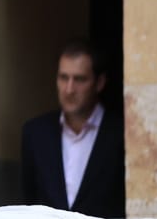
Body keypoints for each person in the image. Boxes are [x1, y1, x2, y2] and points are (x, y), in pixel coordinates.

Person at [20, 39, 123, 216]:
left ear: (99, 83)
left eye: (79, 79)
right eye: (63, 78)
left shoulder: (122, 134)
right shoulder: (35, 133)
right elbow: (29, 204)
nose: (69, 89)